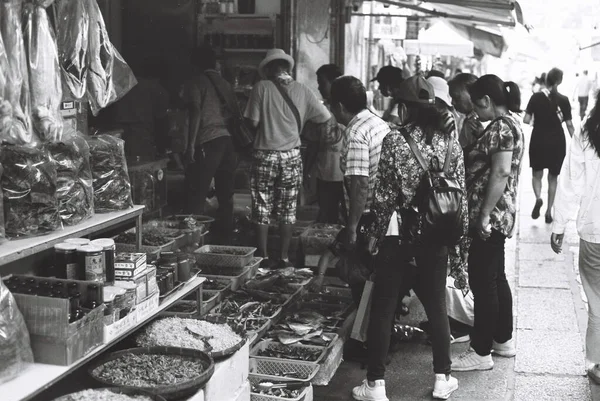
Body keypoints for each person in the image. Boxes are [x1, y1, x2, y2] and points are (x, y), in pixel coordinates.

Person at [351, 75, 466, 401]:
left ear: (403, 107)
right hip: (436, 241)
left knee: (384, 308)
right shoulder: (451, 145)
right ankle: (443, 379)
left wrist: (371, 240)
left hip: (398, 239)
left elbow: (383, 199)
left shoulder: (395, 141)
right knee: (437, 309)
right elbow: (462, 201)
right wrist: (459, 254)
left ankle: (376, 385)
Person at [453, 75, 524, 372]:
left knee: (484, 284)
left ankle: (481, 351)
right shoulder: (511, 123)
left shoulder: (502, 127)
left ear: (486, 101)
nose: (472, 111)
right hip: (498, 214)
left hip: (491, 217)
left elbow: (501, 172)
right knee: (496, 277)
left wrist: (483, 215)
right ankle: (502, 339)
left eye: (475, 105)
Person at [244, 49, 330, 268]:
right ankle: (283, 257)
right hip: (292, 156)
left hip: (265, 154)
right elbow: (324, 117)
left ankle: (262, 257)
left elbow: (252, 122)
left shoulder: (261, 88)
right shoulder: (303, 90)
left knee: (262, 207)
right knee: (288, 209)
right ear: (286, 68)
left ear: (269, 69)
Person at [551, 91, 600, 384]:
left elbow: (570, 180)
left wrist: (559, 224)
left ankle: (597, 362)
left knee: (596, 301)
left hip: (593, 231)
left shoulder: (587, 130)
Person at [183, 46, 238, 245]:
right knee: (226, 194)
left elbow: (195, 111)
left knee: (198, 191)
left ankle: (193, 240)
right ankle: (226, 238)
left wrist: (190, 145)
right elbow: (234, 113)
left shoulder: (196, 82)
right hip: (227, 141)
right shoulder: (224, 83)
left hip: (208, 140)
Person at [329, 76, 390, 252]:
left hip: (368, 216)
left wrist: (352, 227)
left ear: (339, 106)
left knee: (360, 271)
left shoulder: (356, 132)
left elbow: (360, 184)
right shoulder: (377, 122)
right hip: (383, 211)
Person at [524, 68, 575, 224]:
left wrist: (536, 121)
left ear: (546, 80)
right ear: (560, 81)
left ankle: (538, 198)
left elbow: (526, 119)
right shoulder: (564, 100)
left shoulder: (536, 97)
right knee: (553, 178)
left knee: (536, 175)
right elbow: (570, 125)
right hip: (557, 141)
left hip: (538, 138)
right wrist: (577, 143)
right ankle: (548, 212)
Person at [302, 64, 346, 224]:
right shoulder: (319, 110)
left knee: (346, 219)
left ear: (334, 83)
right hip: (325, 175)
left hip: (346, 176)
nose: (319, 87)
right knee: (327, 218)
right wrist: (306, 171)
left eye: (322, 83)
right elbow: (313, 144)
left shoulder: (350, 108)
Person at [109, 58, 170, 163]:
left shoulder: (124, 85)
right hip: (143, 136)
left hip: (118, 134)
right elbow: (161, 120)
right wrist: (162, 148)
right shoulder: (157, 89)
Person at [449, 73, 484, 150]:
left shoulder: (477, 122)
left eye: (457, 97)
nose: (453, 103)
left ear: (472, 93)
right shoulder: (466, 119)